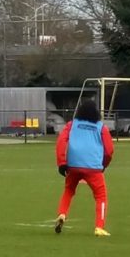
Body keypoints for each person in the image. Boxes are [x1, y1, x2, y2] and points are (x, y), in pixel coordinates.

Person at [53, 97, 116, 236]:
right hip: (93, 167)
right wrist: (104, 164)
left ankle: (62, 214)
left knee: (69, 190)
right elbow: (109, 150)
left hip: (73, 165)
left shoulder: (72, 124)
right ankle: (99, 227)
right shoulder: (101, 127)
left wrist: (62, 163)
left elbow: (61, 142)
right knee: (101, 196)